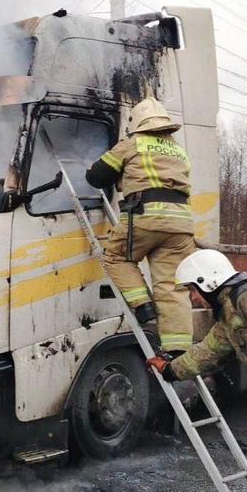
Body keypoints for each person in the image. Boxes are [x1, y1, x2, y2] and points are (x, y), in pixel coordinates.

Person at [148, 249, 247, 492]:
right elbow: (206, 354)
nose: (192, 297)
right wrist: (169, 370)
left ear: (207, 283)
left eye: (192, 289)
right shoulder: (227, 316)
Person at [86, 96, 194, 354]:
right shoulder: (179, 150)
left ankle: (143, 305)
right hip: (181, 224)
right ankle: (178, 350)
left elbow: (96, 176)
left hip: (146, 217)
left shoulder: (132, 143)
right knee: (172, 286)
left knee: (115, 258)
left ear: (136, 123)